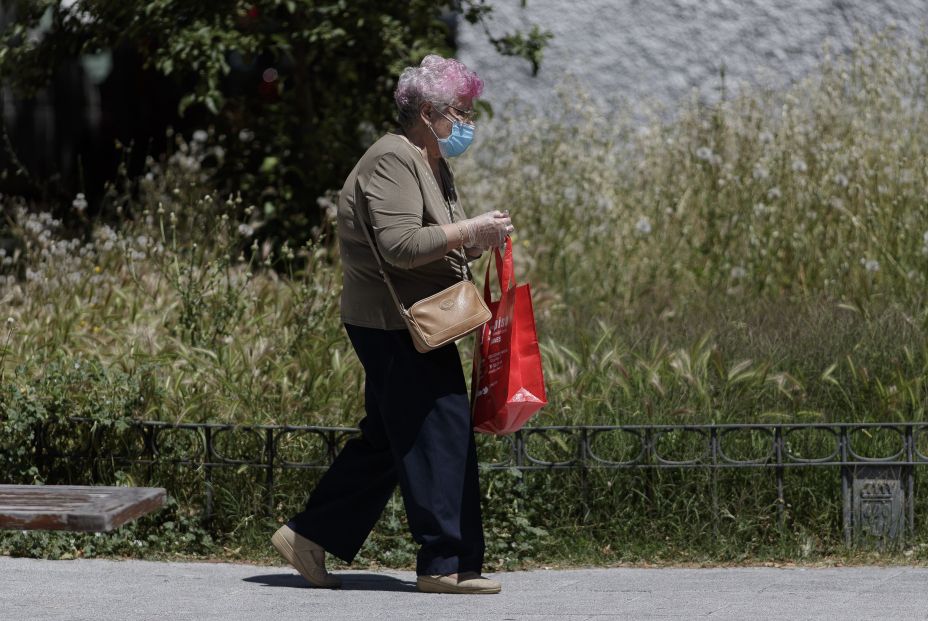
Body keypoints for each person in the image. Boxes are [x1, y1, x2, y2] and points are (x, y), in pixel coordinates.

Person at [271, 54, 513, 595]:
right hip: (394, 323)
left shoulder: (428, 160)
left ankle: (308, 535)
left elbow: (431, 241)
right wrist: (469, 228)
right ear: (427, 111)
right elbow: (400, 246)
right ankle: (444, 564)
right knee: (441, 431)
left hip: (406, 318)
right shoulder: (392, 158)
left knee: (387, 439)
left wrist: (473, 239)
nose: (467, 121)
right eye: (460, 110)